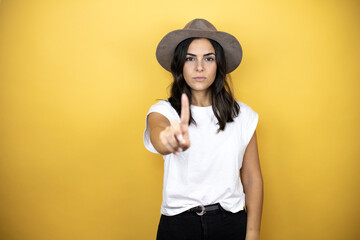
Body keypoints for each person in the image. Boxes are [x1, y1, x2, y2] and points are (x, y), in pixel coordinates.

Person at [143, 18, 263, 240]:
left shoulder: (243, 115)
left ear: (219, 65)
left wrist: (253, 233)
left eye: (208, 58)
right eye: (190, 59)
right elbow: (159, 136)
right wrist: (167, 139)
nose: (199, 67)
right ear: (180, 64)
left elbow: (252, 178)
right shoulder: (165, 111)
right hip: (178, 225)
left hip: (231, 222)